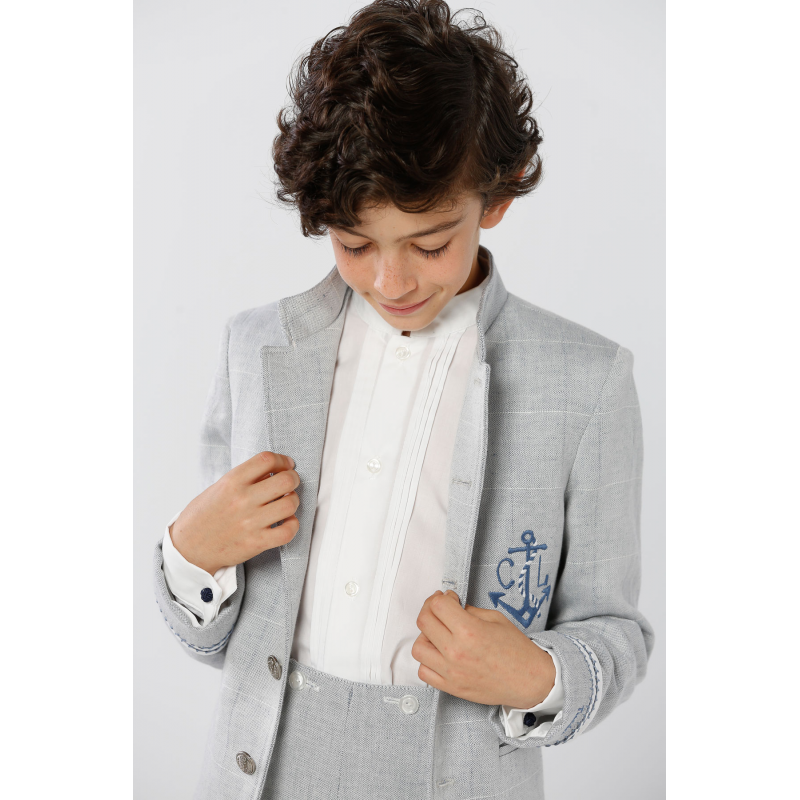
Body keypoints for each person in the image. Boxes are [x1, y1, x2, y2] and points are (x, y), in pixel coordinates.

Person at [152, 1, 654, 797]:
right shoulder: (256, 350)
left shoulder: (585, 382)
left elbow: (615, 630)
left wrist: (537, 674)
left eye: (430, 243)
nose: (392, 281)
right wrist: (191, 554)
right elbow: (213, 641)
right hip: (262, 771)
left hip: (453, 775)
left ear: (497, 199)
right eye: (355, 245)